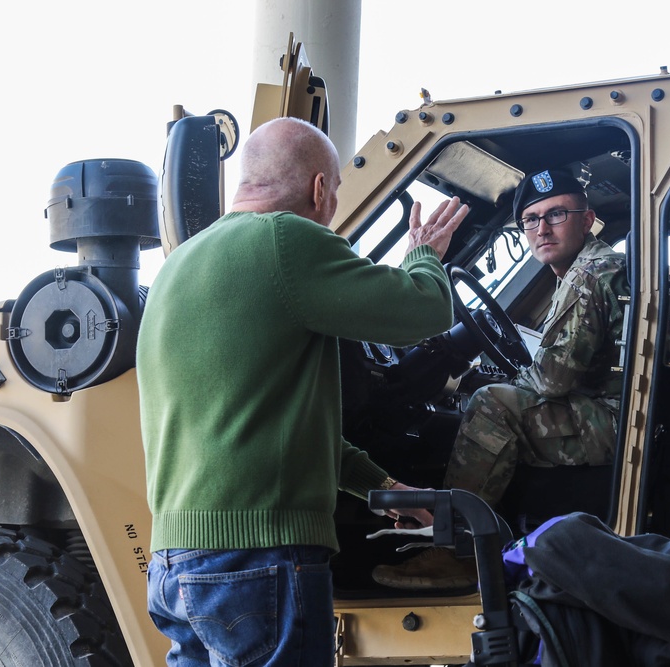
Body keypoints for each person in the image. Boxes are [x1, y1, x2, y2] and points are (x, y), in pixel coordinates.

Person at [136, 117, 468, 666]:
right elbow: (425, 311)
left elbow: (274, 428)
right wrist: (423, 251)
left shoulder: (179, 266)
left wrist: (383, 488)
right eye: (335, 192)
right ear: (319, 188)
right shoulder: (285, 239)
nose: (332, 204)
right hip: (258, 558)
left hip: (177, 563)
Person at [372, 166, 629, 590]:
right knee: (492, 397)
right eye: (531, 219)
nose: (542, 228)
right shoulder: (589, 268)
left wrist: (475, 386)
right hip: (615, 413)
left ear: (586, 220)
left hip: (616, 424)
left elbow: (552, 381)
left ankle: (457, 555)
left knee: (491, 405)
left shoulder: (589, 273)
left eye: (556, 215)